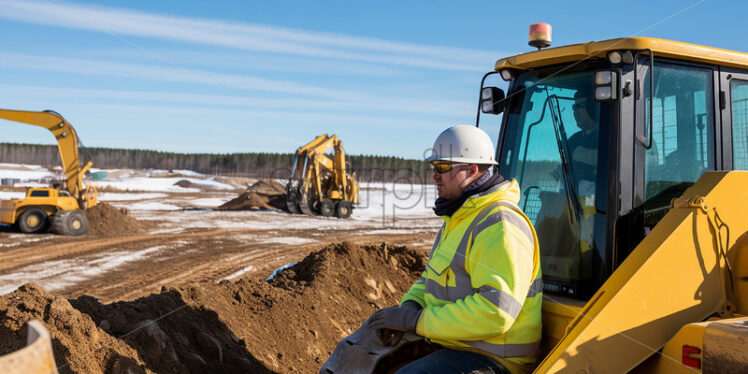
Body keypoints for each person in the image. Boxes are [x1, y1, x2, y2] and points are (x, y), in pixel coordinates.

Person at [365, 125, 543, 374]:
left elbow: (496, 311)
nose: (435, 175)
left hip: (493, 358)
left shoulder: (500, 223)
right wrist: (411, 306)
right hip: (452, 344)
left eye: (443, 167)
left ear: (472, 171)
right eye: (433, 167)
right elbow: (430, 278)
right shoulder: (458, 220)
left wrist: (416, 322)